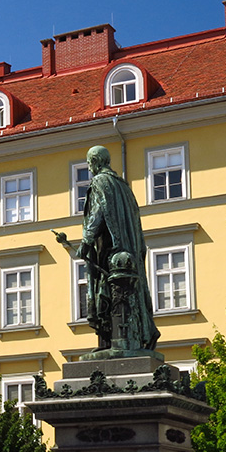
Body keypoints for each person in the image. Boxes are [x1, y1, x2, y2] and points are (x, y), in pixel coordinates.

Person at [77, 145, 160, 352]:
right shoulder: (123, 187)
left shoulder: (100, 182)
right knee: (131, 294)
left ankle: (110, 341)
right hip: (129, 249)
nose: (89, 168)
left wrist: (87, 240)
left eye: (89, 163)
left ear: (95, 162)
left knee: (105, 291)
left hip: (111, 250)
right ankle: (136, 335)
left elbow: (98, 212)